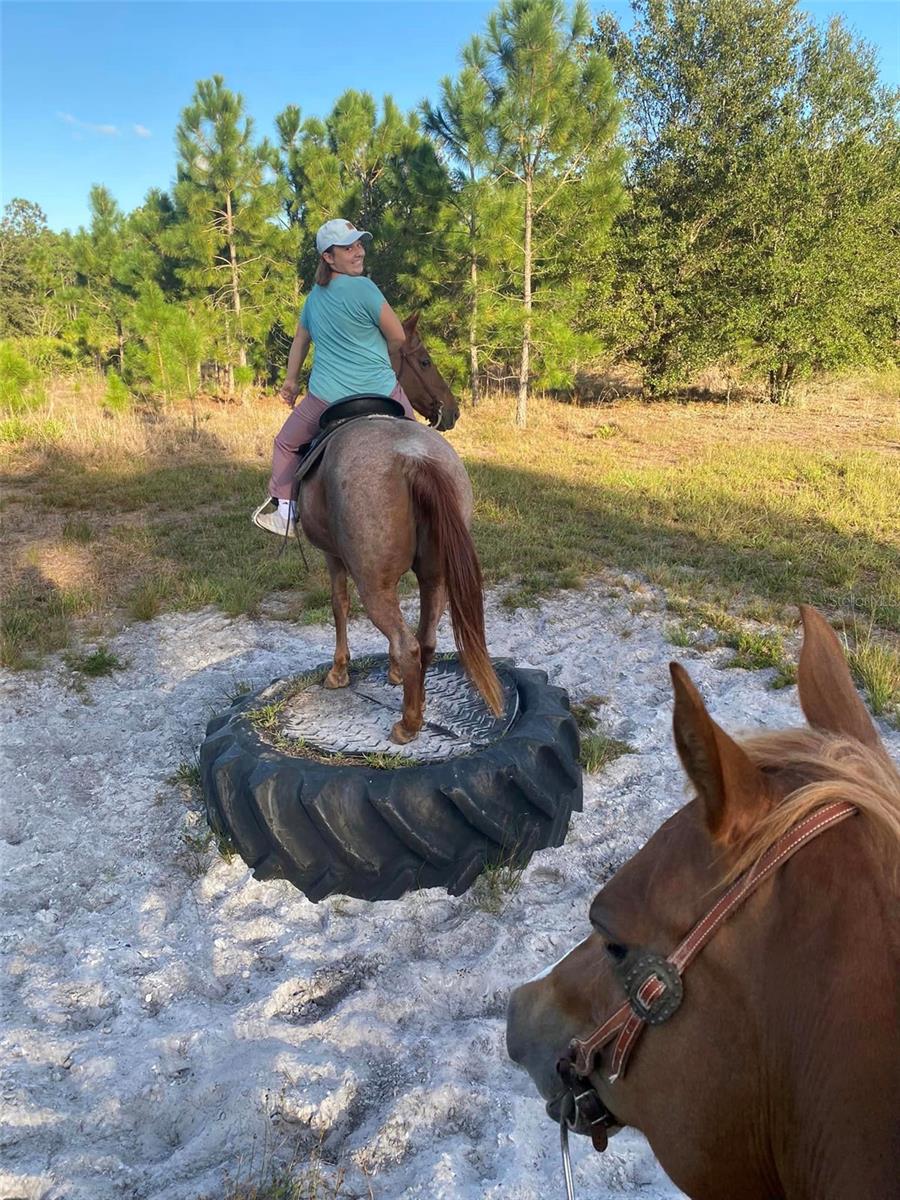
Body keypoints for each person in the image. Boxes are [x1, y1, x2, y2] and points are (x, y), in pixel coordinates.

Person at [252, 218, 414, 536]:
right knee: (421, 443)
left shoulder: (313, 300)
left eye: (359, 244)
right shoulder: (365, 288)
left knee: (286, 444)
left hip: (329, 398)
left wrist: (290, 382)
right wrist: (386, 359)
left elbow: (300, 342)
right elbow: (398, 337)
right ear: (328, 257)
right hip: (382, 391)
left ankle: (285, 512)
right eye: (348, 247)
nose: (359, 252)